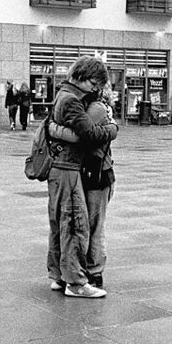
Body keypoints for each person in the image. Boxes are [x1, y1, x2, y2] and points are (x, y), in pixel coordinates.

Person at [46, 56, 118, 299]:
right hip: (72, 170)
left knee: (62, 224)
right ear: (84, 78)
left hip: (67, 169)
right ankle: (77, 281)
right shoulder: (74, 100)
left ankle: (60, 275)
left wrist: (55, 129)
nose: (95, 89)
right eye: (94, 84)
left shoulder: (63, 95)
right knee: (76, 226)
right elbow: (86, 135)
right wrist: (112, 130)